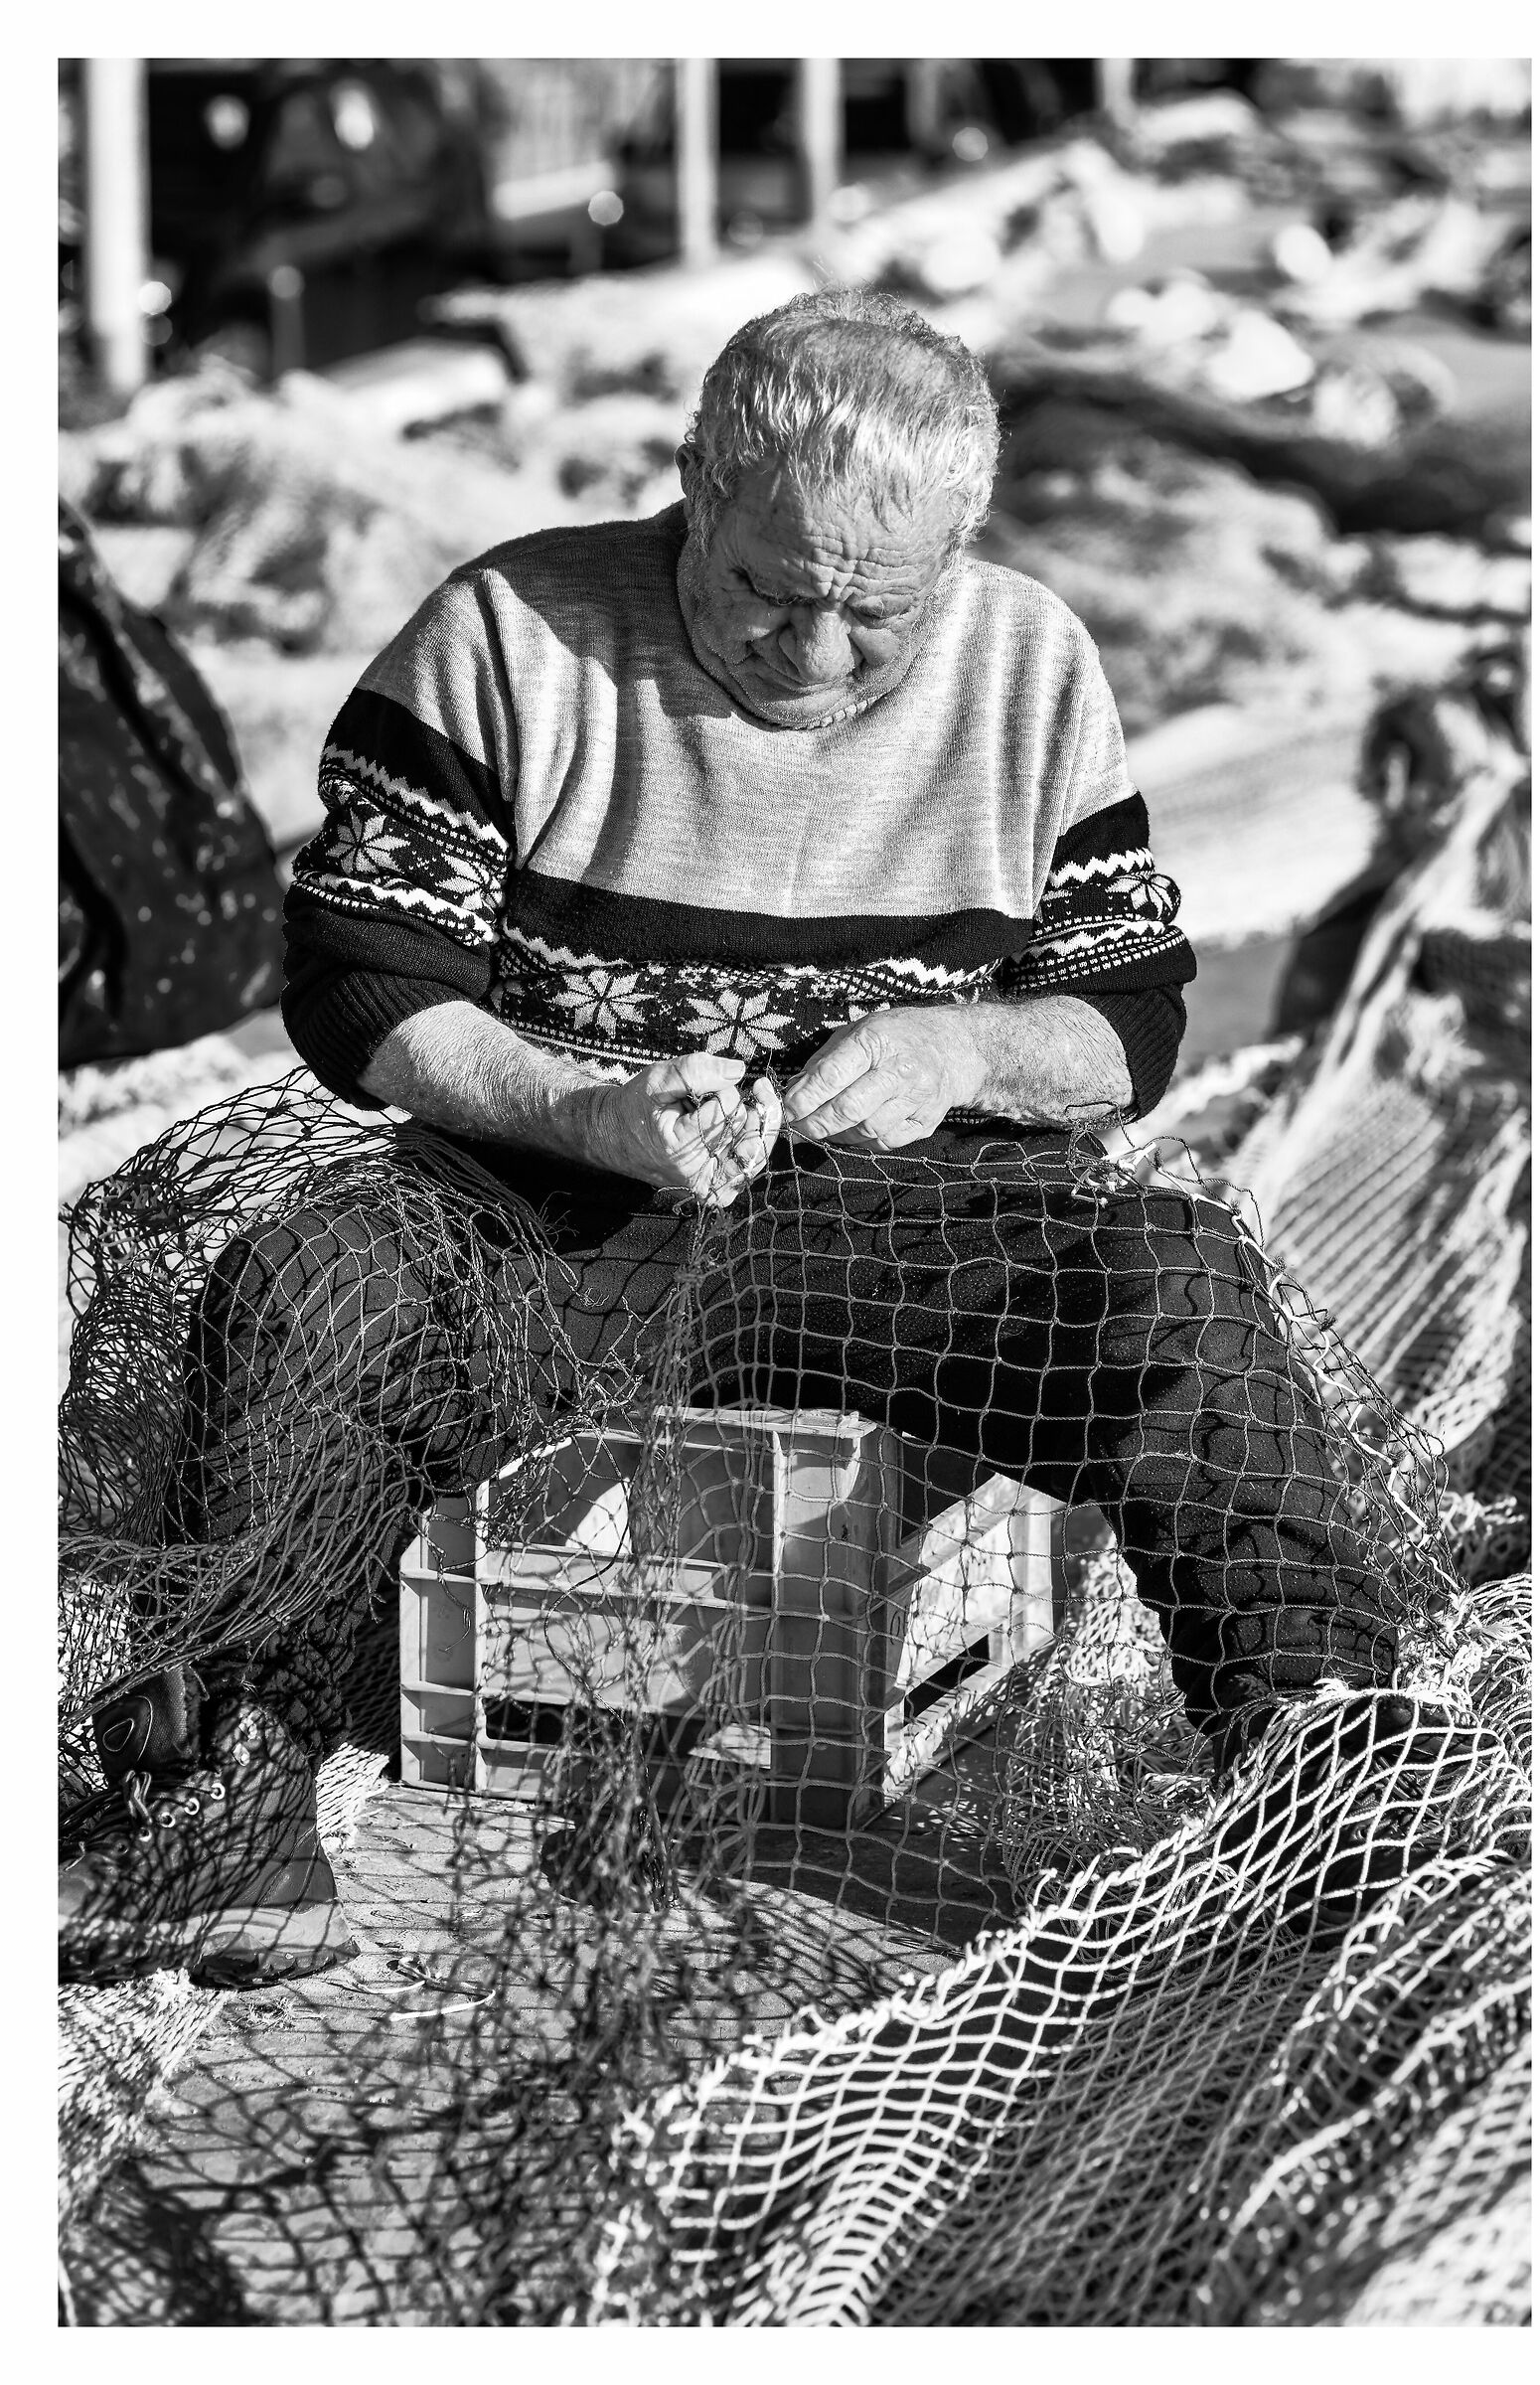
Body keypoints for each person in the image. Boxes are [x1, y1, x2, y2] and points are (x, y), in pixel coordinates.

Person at [60, 289, 1417, 1987]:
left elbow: (1126, 1017)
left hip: (898, 1217)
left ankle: (1325, 1770)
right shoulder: (510, 633)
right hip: (550, 1212)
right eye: (773, 587)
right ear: (696, 482)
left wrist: (960, 1049)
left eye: (881, 612)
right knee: (299, 1283)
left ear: (961, 550)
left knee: (1173, 1278)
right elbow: (358, 980)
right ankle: (233, 1794)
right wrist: (589, 1108)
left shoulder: (1032, 665)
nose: (822, 651)